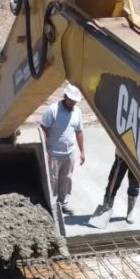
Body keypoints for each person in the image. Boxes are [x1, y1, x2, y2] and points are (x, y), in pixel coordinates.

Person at [39, 84, 86, 216]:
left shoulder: (77, 112)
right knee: (52, 180)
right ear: (64, 96)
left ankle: (63, 204)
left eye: (75, 101)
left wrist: (82, 152)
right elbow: (43, 129)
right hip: (53, 153)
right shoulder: (52, 110)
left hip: (69, 153)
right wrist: (45, 151)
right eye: (70, 100)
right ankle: (51, 206)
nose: (72, 103)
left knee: (66, 179)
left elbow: (79, 132)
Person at [91, 154, 140, 225]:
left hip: (137, 158)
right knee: (113, 183)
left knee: (134, 187)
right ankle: (106, 209)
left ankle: (130, 213)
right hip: (122, 155)